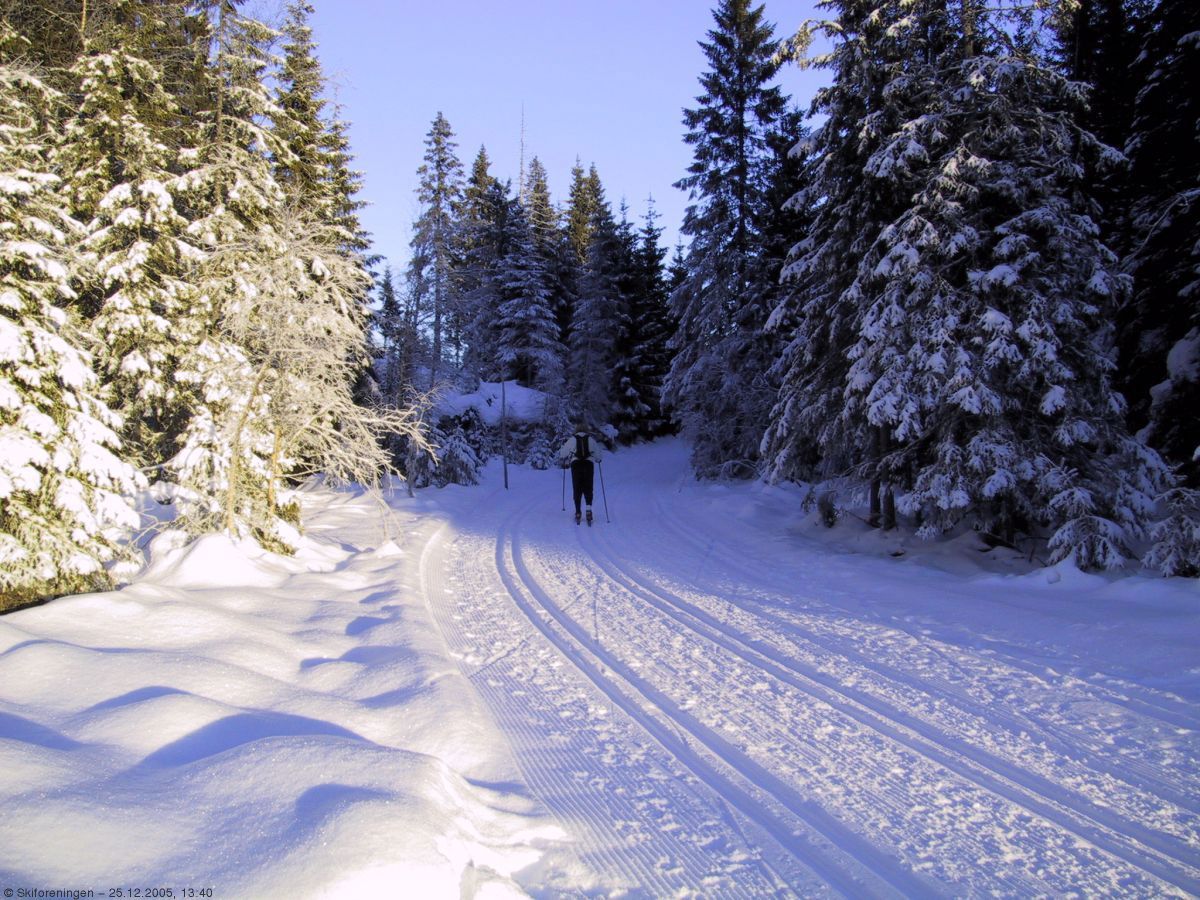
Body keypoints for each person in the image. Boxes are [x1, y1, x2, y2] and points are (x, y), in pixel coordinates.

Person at [557, 427, 602, 524]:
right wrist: (597, 459)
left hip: (576, 465)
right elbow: (598, 456)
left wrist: (564, 457)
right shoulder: (590, 439)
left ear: (576, 431)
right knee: (588, 487)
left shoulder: (572, 439)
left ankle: (578, 512)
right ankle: (588, 510)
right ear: (586, 430)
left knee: (577, 487)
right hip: (588, 465)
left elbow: (562, 454)